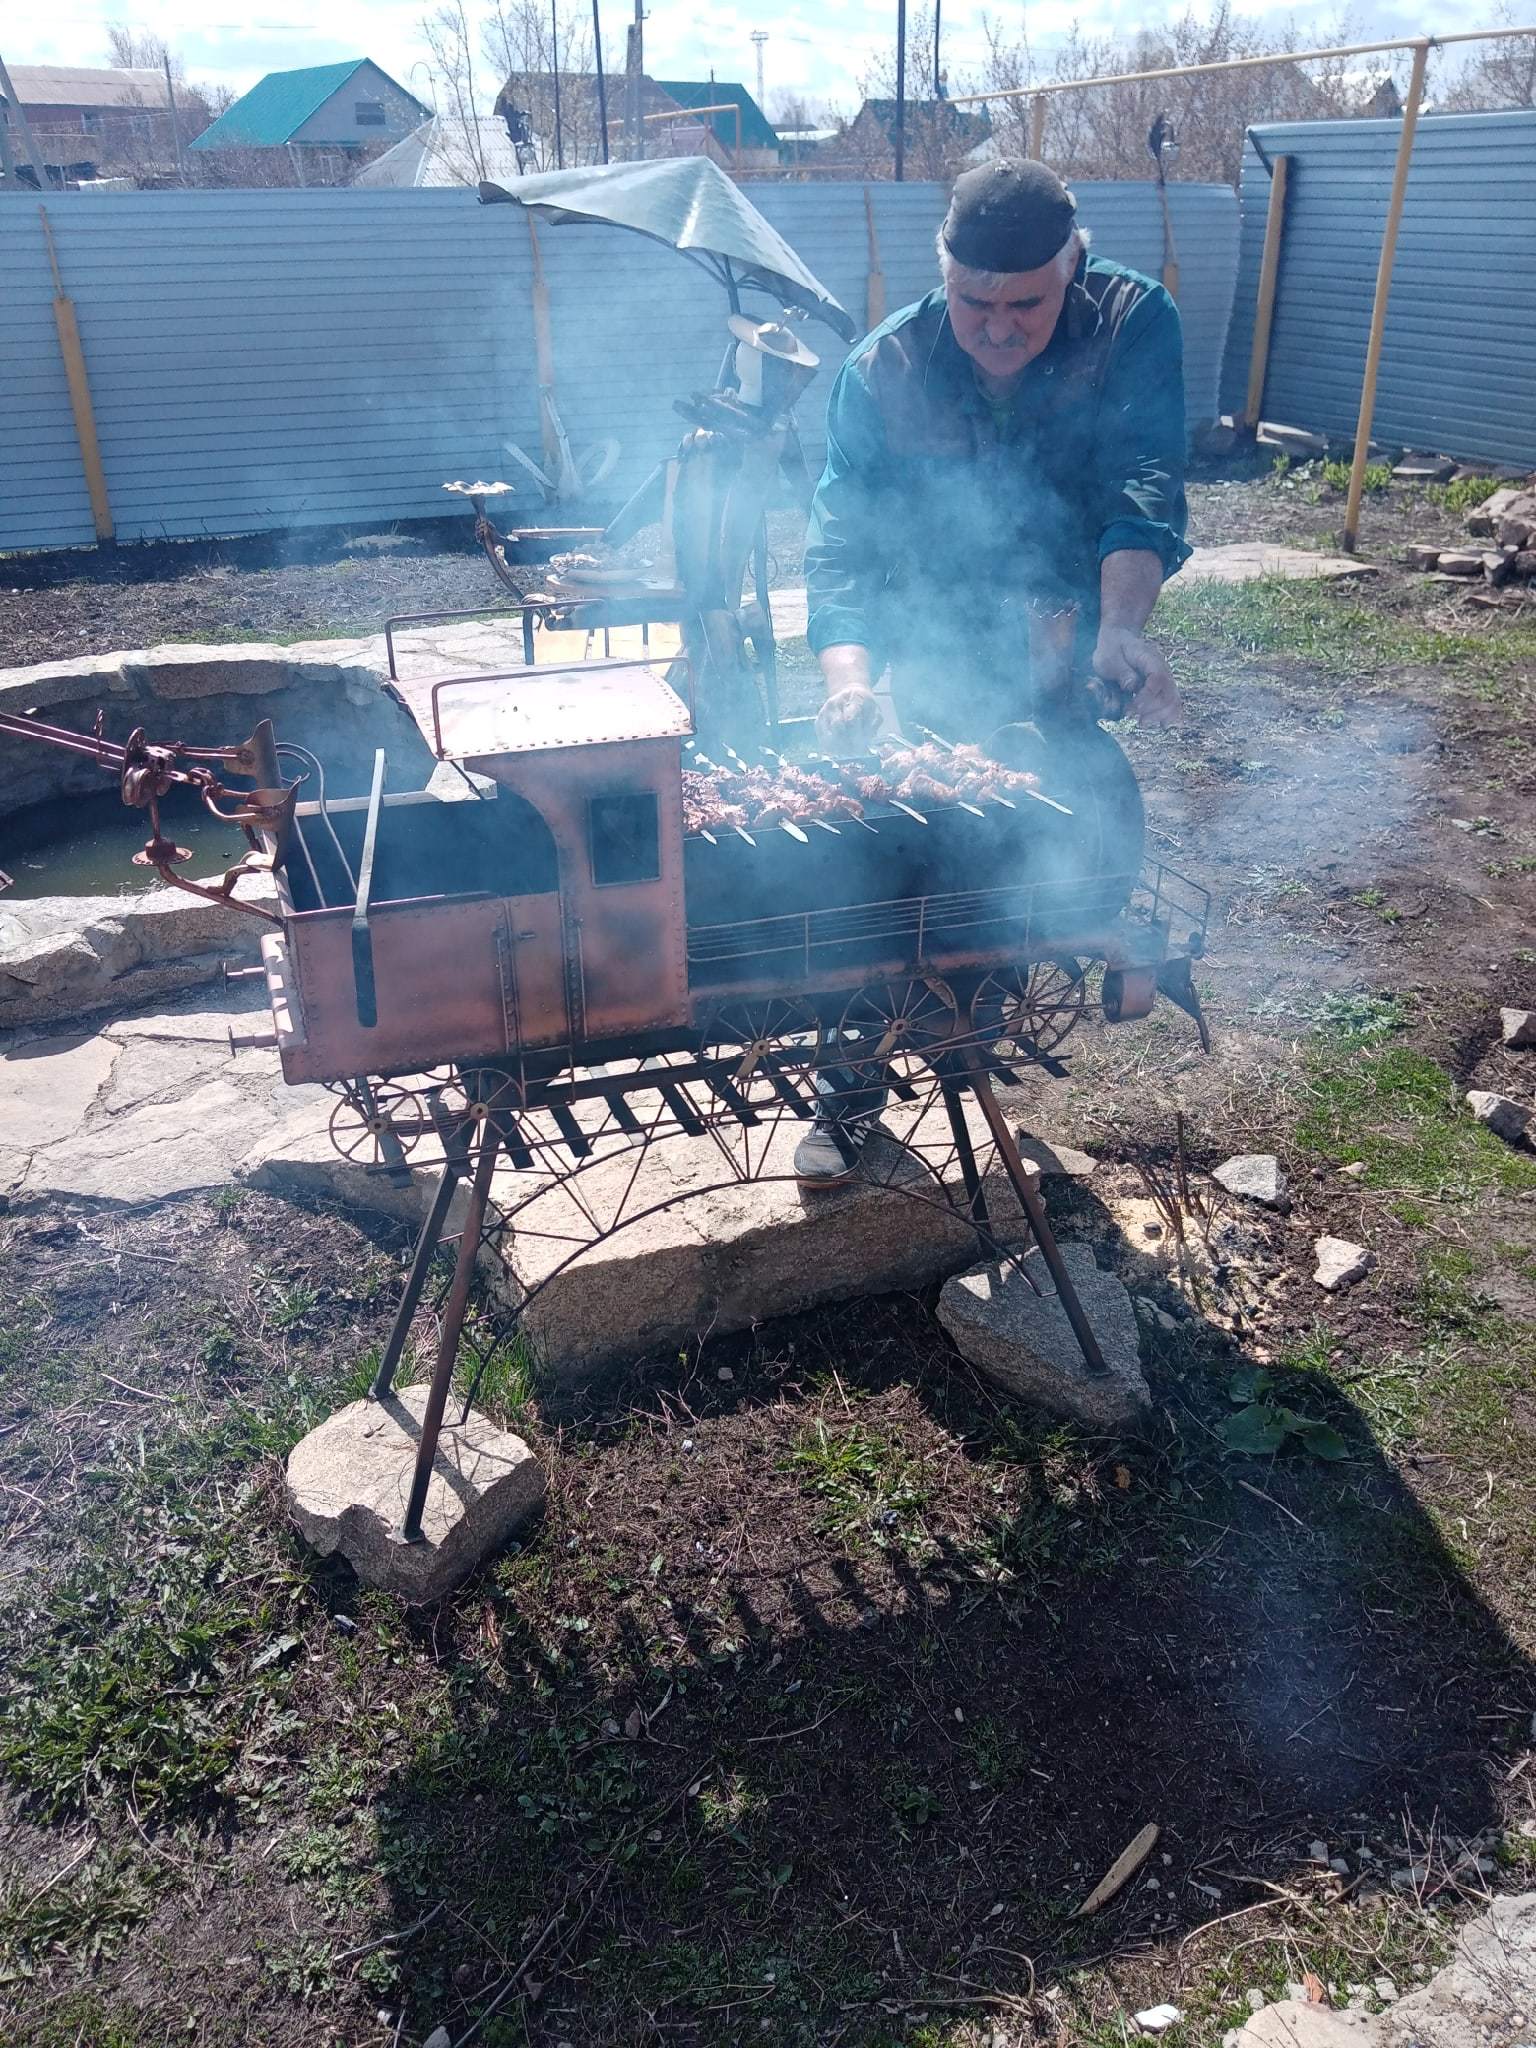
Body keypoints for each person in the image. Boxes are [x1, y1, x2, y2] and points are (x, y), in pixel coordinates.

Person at [793, 158, 1190, 1185]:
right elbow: (842, 547)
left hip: (1058, 645)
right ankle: (848, 1086)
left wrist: (1120, 628)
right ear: (943, 277)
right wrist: (850, 677)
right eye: (976, 303)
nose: (1001, 327)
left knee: (1022, 839)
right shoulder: (884, 369)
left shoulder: (1131, 325)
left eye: (1027, 302)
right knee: (881, 855)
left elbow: (1144, 486)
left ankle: (971, 1026)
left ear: (1074, 266)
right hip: (922, 649)